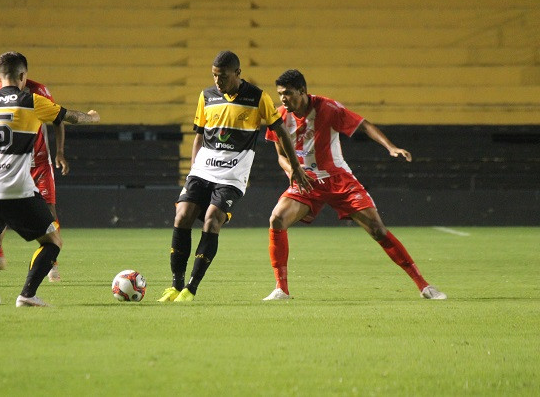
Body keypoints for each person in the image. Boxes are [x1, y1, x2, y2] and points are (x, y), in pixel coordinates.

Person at [263, 69, 447, 301]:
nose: (283, 98)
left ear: (302, 91)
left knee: (377, 229)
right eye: (280, 94)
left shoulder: (327, 108)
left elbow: (364, 125)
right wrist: (293, 171)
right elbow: (280, 154)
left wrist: (391, 147)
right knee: (277, 218)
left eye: (288, 93)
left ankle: (424, 285)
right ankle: (281, 289)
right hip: (307, 181)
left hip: (338, 180)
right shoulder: (278, 117)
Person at [0, 52, 99, 306]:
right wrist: (92, 116)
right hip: (16, 186)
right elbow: (70, 117)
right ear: (23, 76)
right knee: (53, 241)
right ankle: (27, 294)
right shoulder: (31, 101)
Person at [158, 51, 312, 303]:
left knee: (212, 220)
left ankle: (191, 288)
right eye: (215, 75)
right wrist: (193, 171)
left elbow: (281, 131)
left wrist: (295, 166)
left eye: (223, 76)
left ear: (237, 73)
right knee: (182, 215)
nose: (218, 81)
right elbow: (199, 135)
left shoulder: (257, 97)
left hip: (231, 176)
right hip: (202, 171)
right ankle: (175, 285)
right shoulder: (206, 96)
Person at [0, 79, 69, 282]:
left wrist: (59, 152)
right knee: (1, 208)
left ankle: (51, 263)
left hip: (38, 162)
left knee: (48, 211)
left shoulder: (39, 90)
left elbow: (58, 119)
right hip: (9, 163)